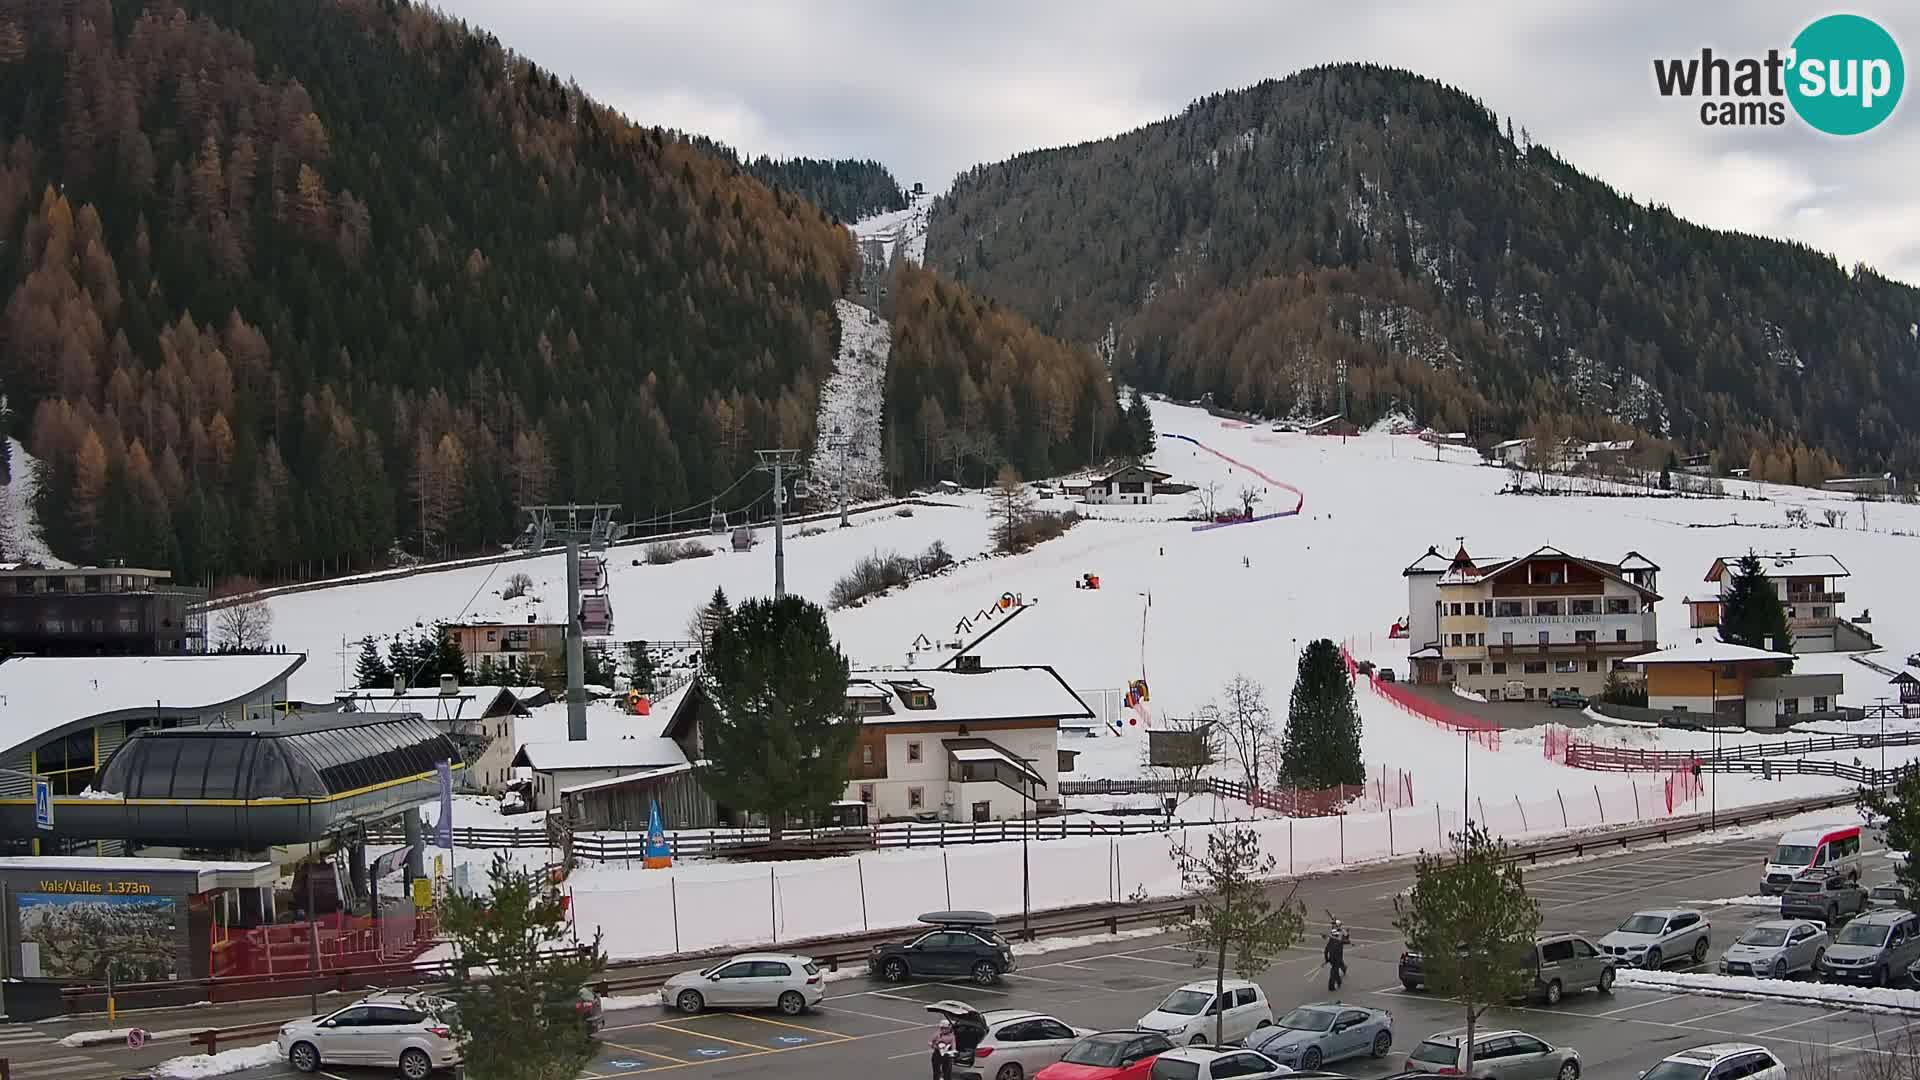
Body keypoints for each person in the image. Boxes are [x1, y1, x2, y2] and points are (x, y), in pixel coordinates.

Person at [1324, 920, 1349, 992]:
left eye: (1334, 924)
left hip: (1337, 956)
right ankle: (1338, 981)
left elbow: (1347, 938)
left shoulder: (1340, 933)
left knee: (1336, 968)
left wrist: (1327, 959)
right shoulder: (1334, 933)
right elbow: (1326, 950)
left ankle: (1337, 980)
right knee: (1335, 969)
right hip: (1334, 957)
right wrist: (1326, 959)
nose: (1332, 925)